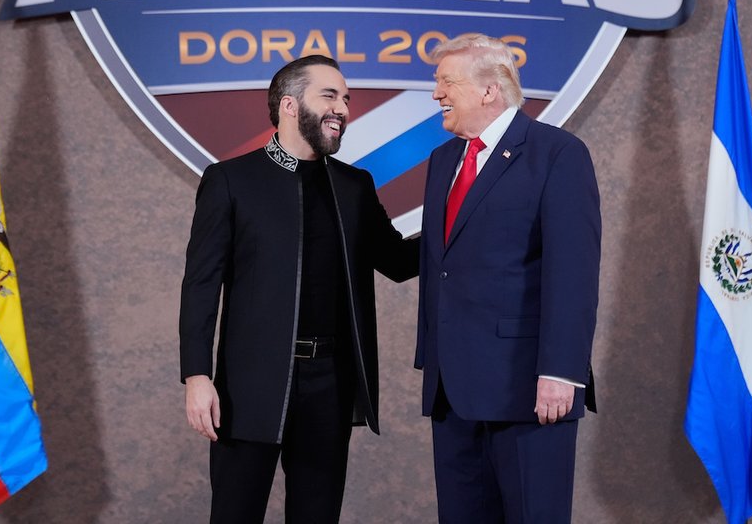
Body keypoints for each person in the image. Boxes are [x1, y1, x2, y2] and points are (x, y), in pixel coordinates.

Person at [179, 55, 419, 523]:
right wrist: (196, 376)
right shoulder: (230, 181)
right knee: (234, 515)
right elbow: (200, 286)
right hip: (248, 385)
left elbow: (397, 261)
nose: (343, 108)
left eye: (346, 99)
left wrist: (464, 220)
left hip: (330, 384)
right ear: (289, 105)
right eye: (329, 95)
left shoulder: (355, 185)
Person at [415, 34, 601, 523]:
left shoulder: (556, 153)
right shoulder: (443, 162)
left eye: (445, 82)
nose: (436, 94)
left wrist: (562, 372)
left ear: (489, 90)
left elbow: (573, 270)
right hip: (452, 393)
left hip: (529, 390)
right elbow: (445, 261)